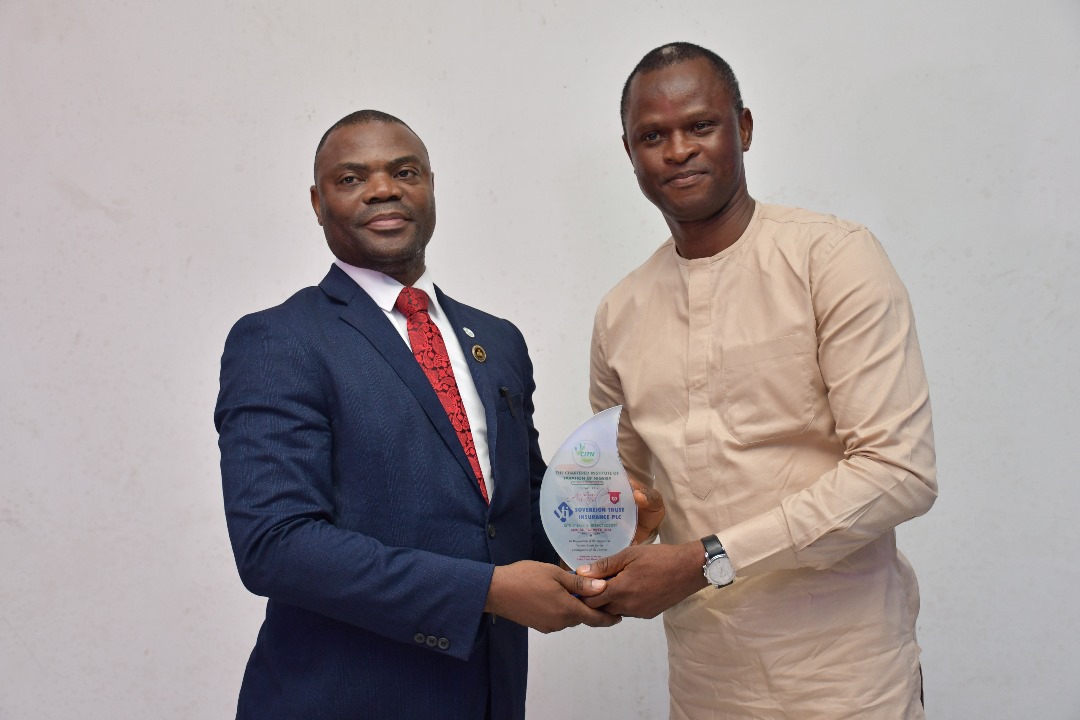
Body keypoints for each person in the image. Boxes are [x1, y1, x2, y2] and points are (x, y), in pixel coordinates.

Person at [215, 110, 650, 720]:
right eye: (350, 178)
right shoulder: (279, 341)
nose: (383, 188)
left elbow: (514, 518)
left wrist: (612, 528)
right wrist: (487, 592)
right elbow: (275, 545)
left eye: (404, 170)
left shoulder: (497, 342)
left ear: (430, 186)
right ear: (317, 202)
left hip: (489, 696)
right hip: (341, 700)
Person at [578, 43, 938, 719]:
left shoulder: (831, 259)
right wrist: (615, 540)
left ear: (742, 128)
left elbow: (899, 472)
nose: (677, 149)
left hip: (847, 682)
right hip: (705, 683)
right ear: (630, 154)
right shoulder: (620, 312)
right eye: (653, 135)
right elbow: (621, 495)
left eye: (700, 125)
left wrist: (704, 560)